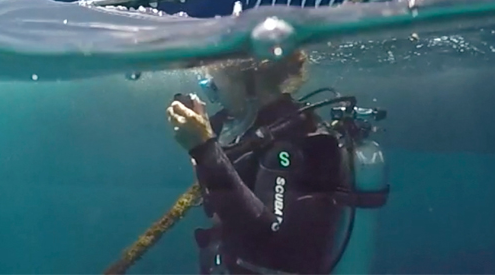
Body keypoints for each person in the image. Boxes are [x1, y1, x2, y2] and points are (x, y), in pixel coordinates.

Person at [166, 50, 389, 275]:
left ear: (248, 80)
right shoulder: (249, 127)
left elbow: (271, 243)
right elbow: (223, 205)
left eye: (215, 84)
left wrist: (205, 150)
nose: (211, 91)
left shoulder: (296, 143)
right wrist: (205, 154)